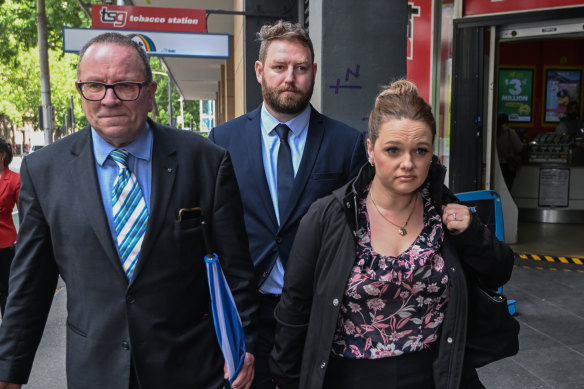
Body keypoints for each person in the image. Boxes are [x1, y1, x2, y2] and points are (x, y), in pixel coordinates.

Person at [0, 32, 259, 389]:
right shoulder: (44, 170)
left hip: (191, 368)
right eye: (95, 86)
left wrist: (244, 346)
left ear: (150, 94)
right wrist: (8, 372)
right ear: (80, 91)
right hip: (96, 370)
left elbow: (236, 270)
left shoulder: (205, 161)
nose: (109, 99)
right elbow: (30, 283)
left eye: (125, 86)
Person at [270, 80, 515, 389]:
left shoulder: (446, 212)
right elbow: (294, 312)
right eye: (393, 150)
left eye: (420, 151)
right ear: (370, 149)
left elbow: (500, 269)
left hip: (439, 377)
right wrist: (287, 379)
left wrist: (472, 233)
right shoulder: (328, 217)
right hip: (349, 379)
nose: (408, 163)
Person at [209, 20, 367, 388]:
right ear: (260, 71)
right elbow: (216, 231)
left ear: (313, 71)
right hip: (250, 312)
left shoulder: (345, 144)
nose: (290, 78)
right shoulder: (223, 141)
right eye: (280, 67)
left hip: (322, 312)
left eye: (301, 68)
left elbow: (361, 230)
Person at [0, 138, 19, 316]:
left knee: (4, 290)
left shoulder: (14, 180)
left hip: (4, 244)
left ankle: (7, 333)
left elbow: (27, 214)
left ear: (3, 155)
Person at [496, 113, 524, 189]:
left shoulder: (492, 132)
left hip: (495, 164)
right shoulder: (510, 133)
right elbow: (519, 148)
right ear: (507, 121)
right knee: (508, 187)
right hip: (509, 165)